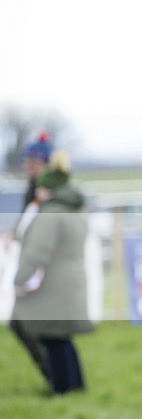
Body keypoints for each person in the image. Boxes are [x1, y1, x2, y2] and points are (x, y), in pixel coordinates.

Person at [12, 150, 93, 394]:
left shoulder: (50, 214)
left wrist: (19, 279)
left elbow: (37, 252)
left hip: (52, 286)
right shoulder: (74, 210)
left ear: (48, 189)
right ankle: (76, 388)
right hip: (69, 284)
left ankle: (62, 390)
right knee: (62, 339)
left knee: (52, 339)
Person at [5, 132, 54, 385]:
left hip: (40, 269)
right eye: (27, 161)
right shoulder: (32, 190)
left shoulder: (49, 191)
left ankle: (56, 379)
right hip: (30, 264)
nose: (29, 166)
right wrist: (13, 233)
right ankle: (54, 378)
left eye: (34, 162)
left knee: (26, 325)